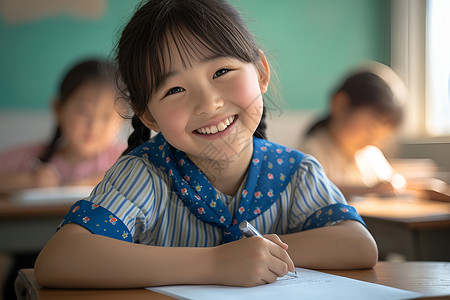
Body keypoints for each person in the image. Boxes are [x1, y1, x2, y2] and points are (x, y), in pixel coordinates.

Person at [34, 0, 377, 289]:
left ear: (260, 73)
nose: (208, 103)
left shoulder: (296, 172)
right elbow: (58, 260)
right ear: (148, 116)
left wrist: (255, 254)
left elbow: (358, 245)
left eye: (221, 72)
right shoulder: (146, 174)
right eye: (174, 90)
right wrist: (215, 262)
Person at [0, 58, 126, 194]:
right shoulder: (32, 158)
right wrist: (30, 181)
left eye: (106, 116)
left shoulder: (126, 157)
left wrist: (81, 185)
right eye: (83, 111)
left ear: (122, 118)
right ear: (58, 108)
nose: (93, 125)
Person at [298, 63, 407, 197]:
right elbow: (313, 191)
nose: (374, 142)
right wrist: (370, 190)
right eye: (370, 129)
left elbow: (392, 181)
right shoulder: (312, 151)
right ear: (340, 105)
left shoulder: (369, 155)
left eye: (382, 137)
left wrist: (396, 183)